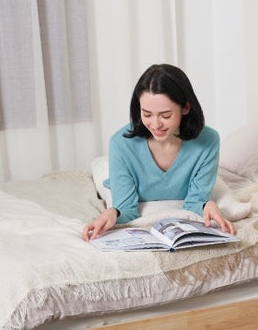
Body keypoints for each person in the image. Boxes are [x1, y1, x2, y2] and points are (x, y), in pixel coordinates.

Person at [82, 64, 234, 241]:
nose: (155, 124)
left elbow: (195, 202)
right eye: (146, 114)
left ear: (185, 108)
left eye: (165, 115)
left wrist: (207, 205)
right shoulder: (121, 143)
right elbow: (127, 210)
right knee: (102, 169)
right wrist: (113, 212)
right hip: (114, 172)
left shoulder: (208, 141)